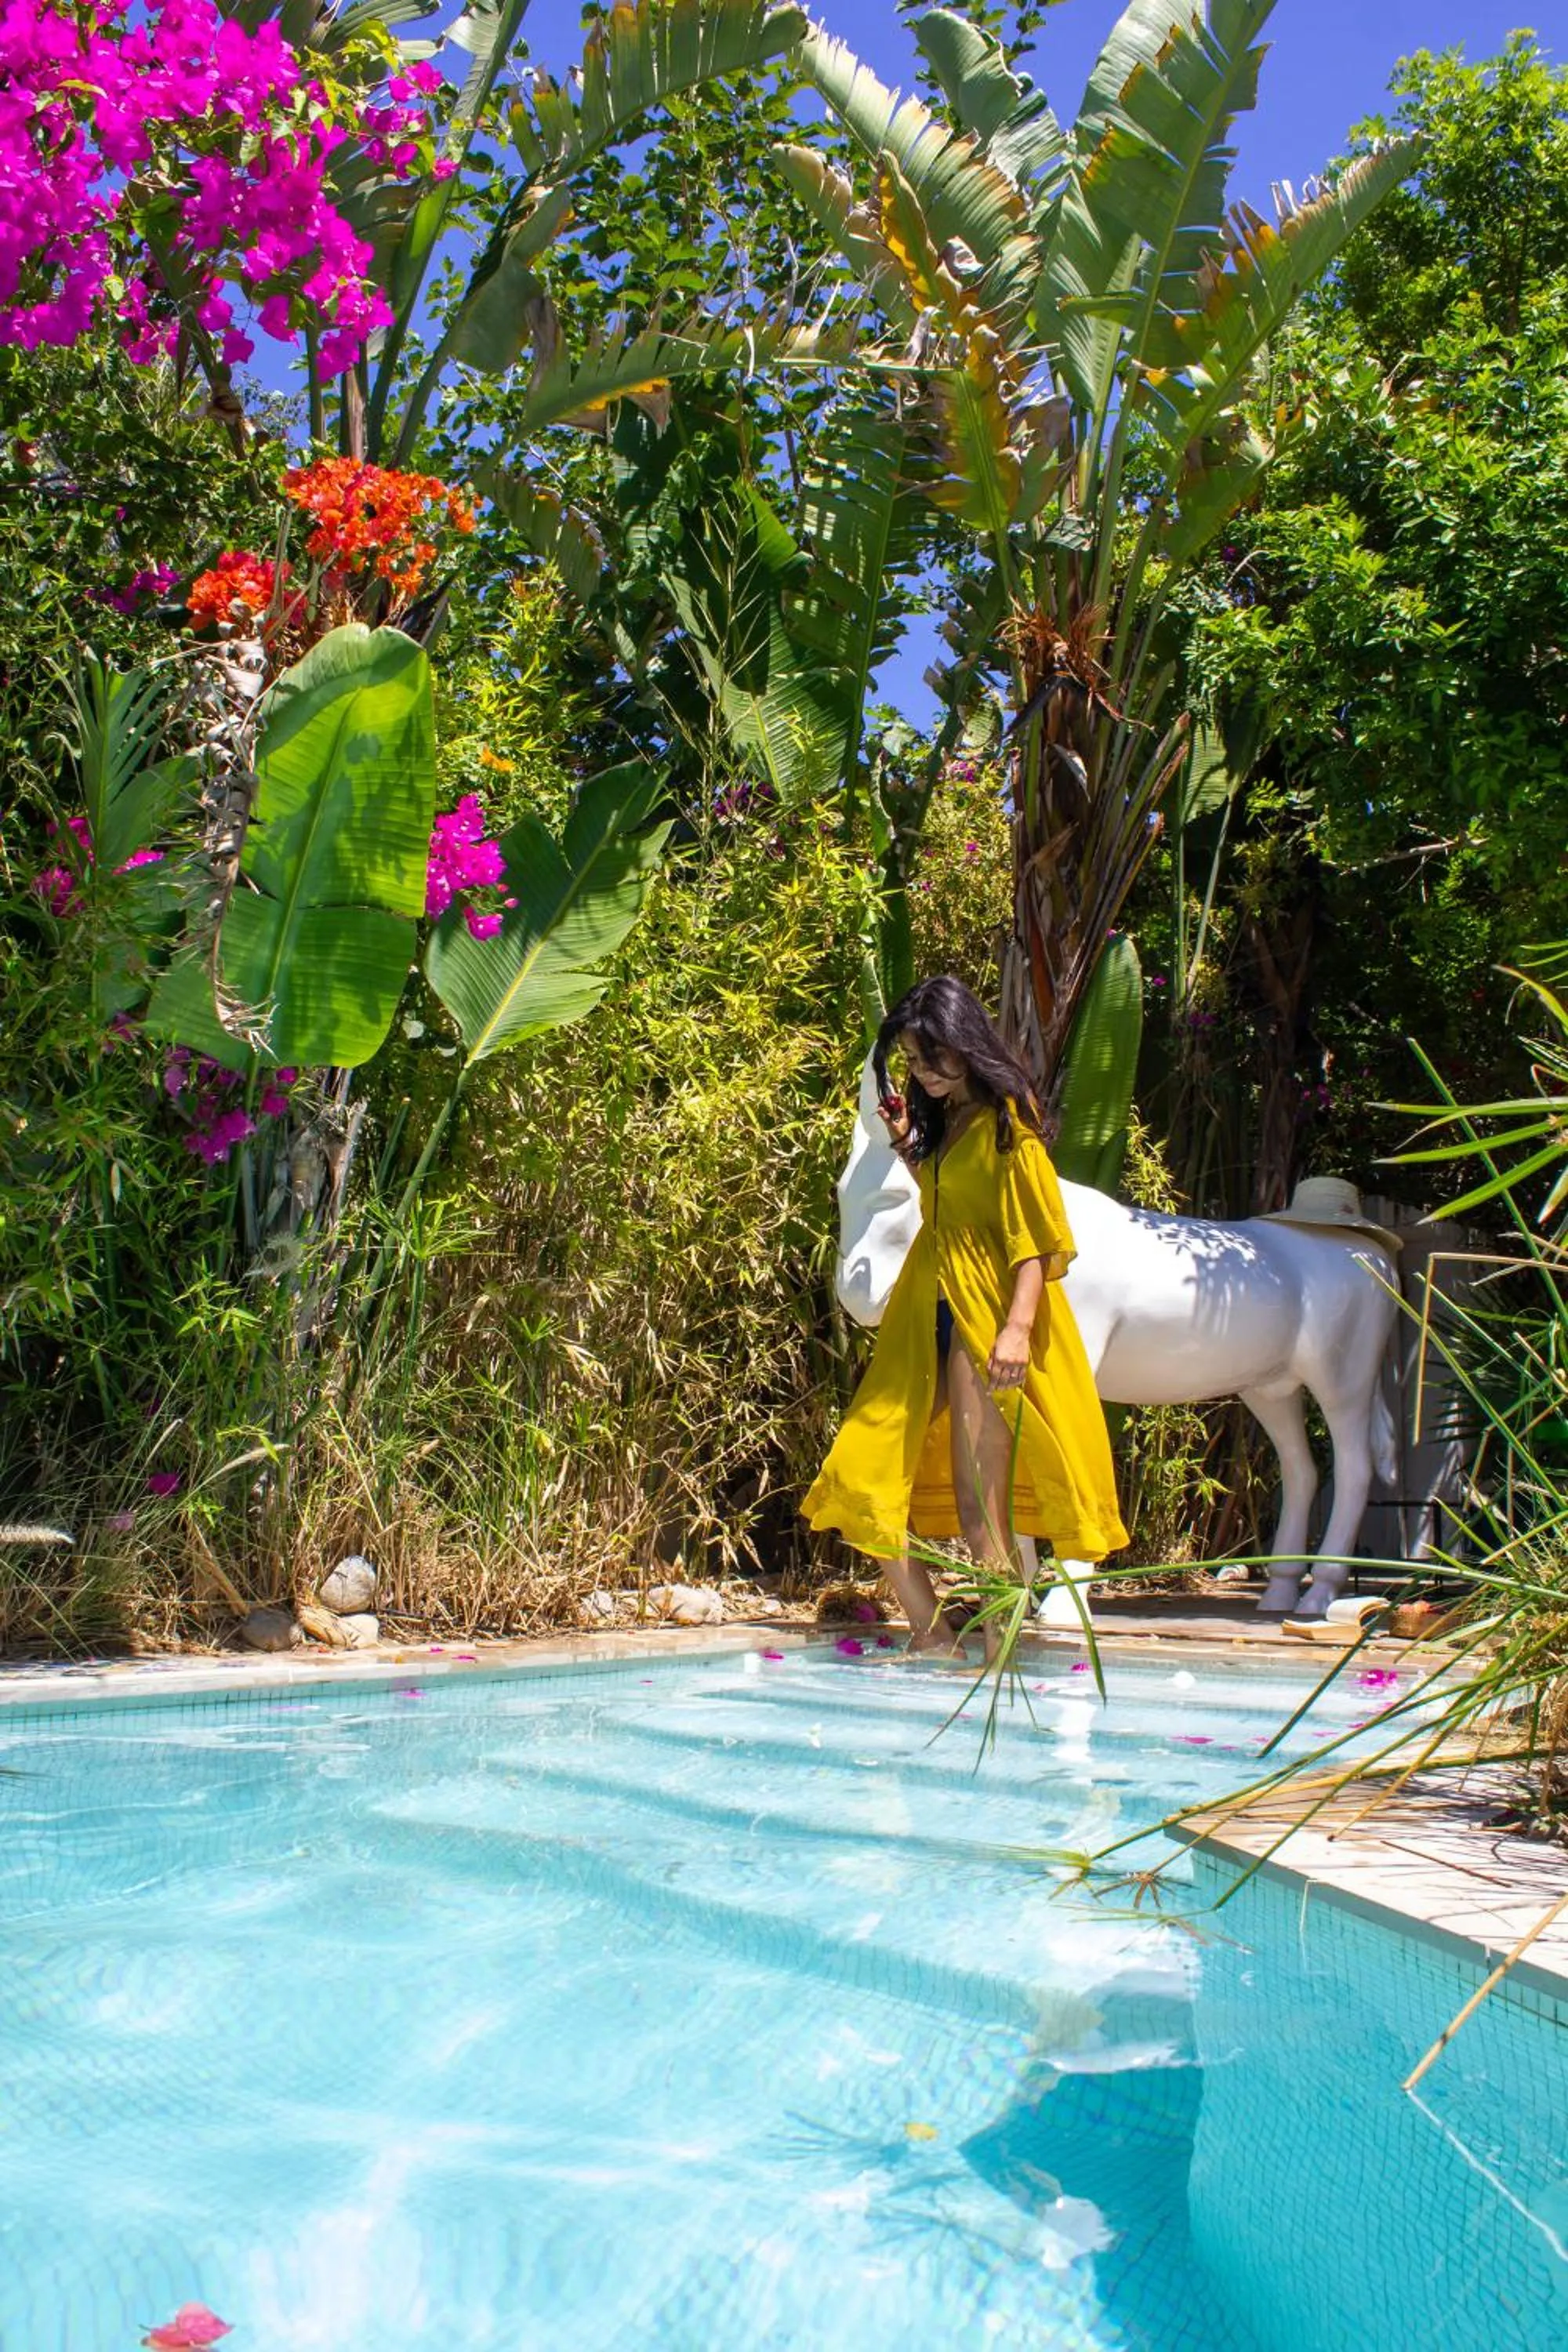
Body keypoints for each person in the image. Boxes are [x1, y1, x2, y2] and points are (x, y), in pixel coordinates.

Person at [802, 976, 1127, 1650]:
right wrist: (906, 1146)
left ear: (966, 1045)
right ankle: (935, 1635)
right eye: (916, 1063)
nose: (924, 1074)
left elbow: (1035, 1238)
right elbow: (951, 1212)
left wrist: (1015, 1329)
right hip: (926, 1312)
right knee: (864, 1468)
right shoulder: (951, 1125)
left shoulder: (1012, 1123)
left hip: (984, 1319)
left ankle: (995, 1648)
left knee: (982, 1503)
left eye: (933, 1058)